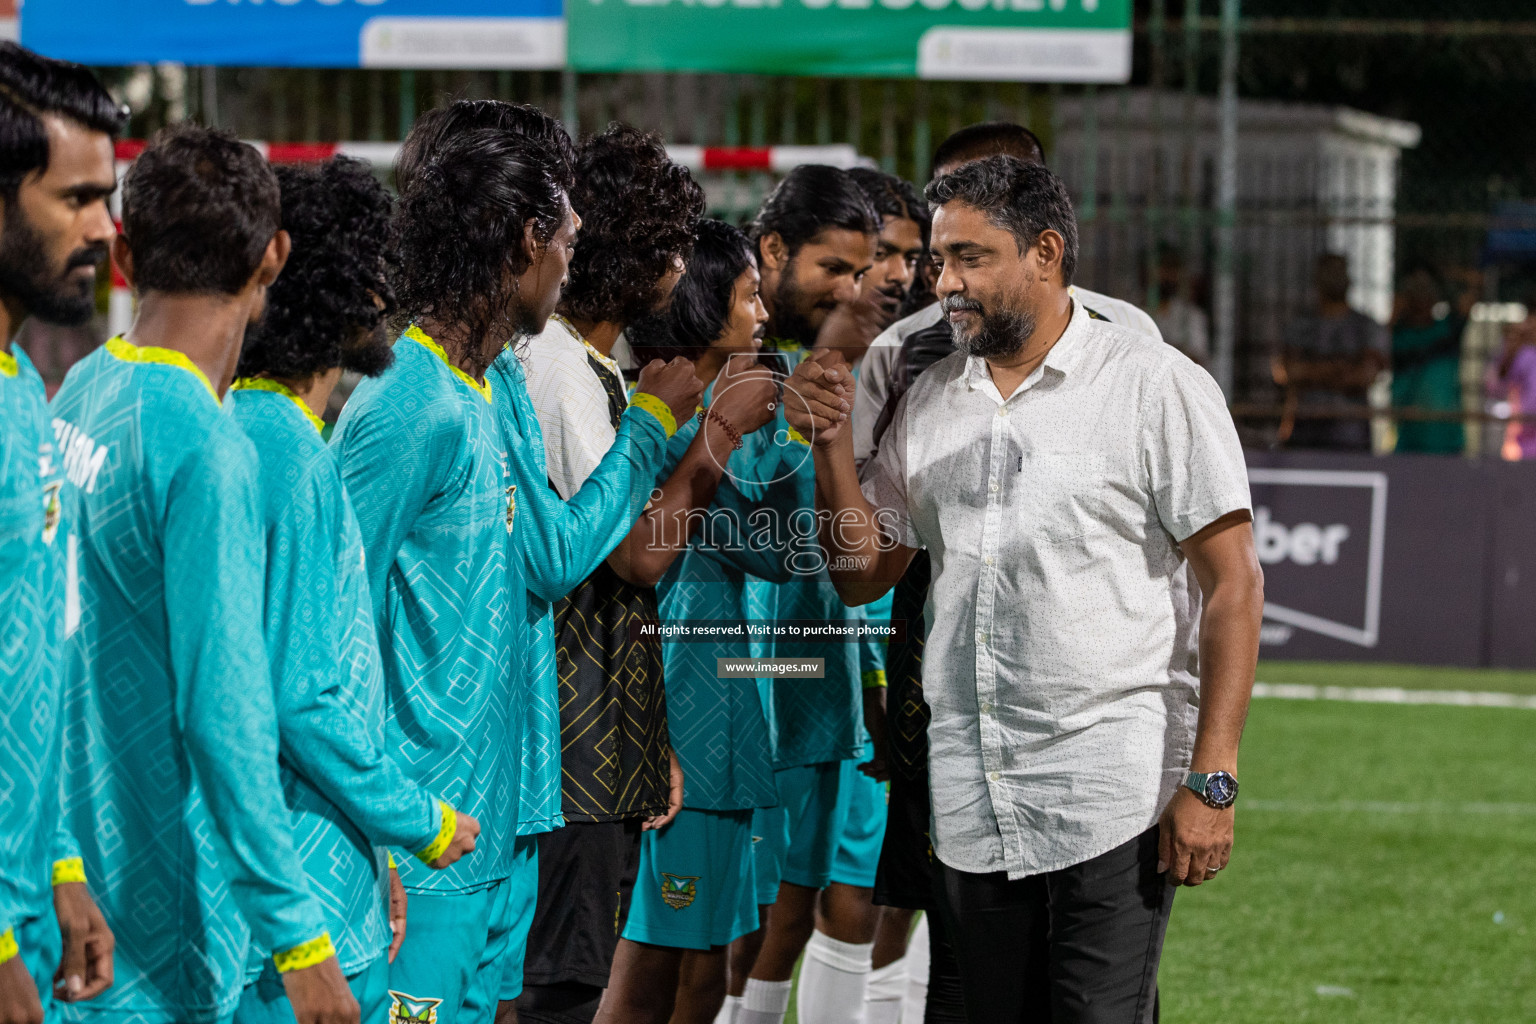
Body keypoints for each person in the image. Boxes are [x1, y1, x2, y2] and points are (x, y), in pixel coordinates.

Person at [785, 155, 1264, 1023]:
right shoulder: (929, 399)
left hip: (1109, 786)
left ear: (1045, 252)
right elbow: (863, 575)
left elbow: (1234, 585)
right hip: (971, 792)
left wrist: (1214, 778)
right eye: (939, 261)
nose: (945, 284)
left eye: (971, 258)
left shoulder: (1155, 384)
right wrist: (828, 449)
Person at [50, 123, 357, 1024]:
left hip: (67, 894)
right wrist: (301, 943)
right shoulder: (208, 450)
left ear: (125, 254)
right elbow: (223, 718)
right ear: (275, 257)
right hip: (157, 938)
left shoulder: (78, 391)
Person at [519, 129, 782, 1024]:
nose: (681, 261)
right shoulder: (558, 369)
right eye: (670, 241)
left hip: (607, 737)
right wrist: (707, 440)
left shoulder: (591, 368)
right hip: (568, 750)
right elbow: (631, 553)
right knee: (566, 987)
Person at [228, 157, 480, 1024]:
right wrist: (419, 822)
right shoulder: (285, 455)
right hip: (297, 927)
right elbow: (301, 699)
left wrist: (373, 858)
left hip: (333, 882)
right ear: (332, 280)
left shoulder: (274, 433)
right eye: (377, 264)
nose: (391, 290)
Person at [595, 220, 800, 1024]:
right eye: (748, 294)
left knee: (704, 966)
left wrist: (783, 432)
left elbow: (782, 554)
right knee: (646, 964)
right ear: (704, 302)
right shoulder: (652, 421)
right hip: (669, 727)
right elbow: (647, 554)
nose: (762, 313)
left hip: (725, 736)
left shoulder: (739, 420)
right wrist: (720, 438)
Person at [726, 168, 879, 1024]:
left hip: (821, 684)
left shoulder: (835, 369)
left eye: (862, 273)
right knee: (721, 930)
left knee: (794, 911)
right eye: (835, 269)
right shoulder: (726, 360)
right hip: (742, 691)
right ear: (775, 251)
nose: (851, 291)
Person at [0, 41, 120, 1024]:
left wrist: (62, 863)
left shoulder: (26, 394)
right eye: (76, 199)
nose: (105, 228)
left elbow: (29, 674)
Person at [852, 121, 1164, 472]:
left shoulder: (1132, 337)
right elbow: (865, 501)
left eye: (991, 191)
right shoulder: (897, 349)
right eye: (952, 193)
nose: (947, 283)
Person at [1275, 253, 1387, 452]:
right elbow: (1286, 371)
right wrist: (1340, 368)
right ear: (1317, 279)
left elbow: (1365, 375)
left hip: (1351, 436)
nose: (1333, 277)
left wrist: (1311, 372)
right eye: (1328, 271)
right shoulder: (1301, 325)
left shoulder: (1365, 327)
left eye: (1338, 271)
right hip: (1303, 433)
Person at [1391, 262, 1467, 455]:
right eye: (1414, 290)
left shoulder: (1448, 330)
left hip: (1448, 441)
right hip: (1409, 439)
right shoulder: (1397, 336)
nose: (1420, 296)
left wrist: (1449, 274)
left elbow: (1471, 294)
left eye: (1426, 289)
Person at [1150, 244, 1210, 365]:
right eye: (1163, 268)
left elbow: (1198, 362)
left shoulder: (1192, 316)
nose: (1167, 276)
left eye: (1172, 269)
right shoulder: (1132, 308)